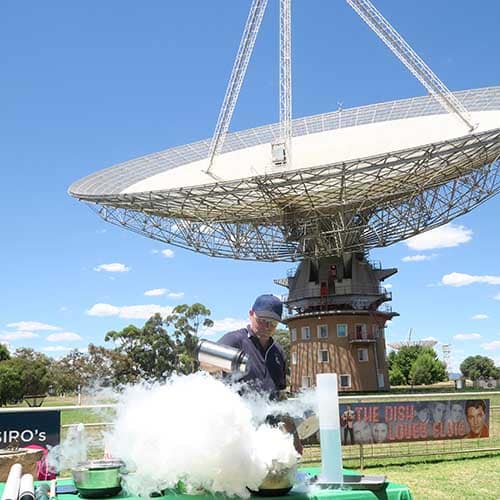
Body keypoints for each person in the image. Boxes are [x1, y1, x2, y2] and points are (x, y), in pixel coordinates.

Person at [218, 294, 303, 454]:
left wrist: (294, 436)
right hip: (238, 435)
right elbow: (205, 365)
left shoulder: (278, 352)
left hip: (269, 436)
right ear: (251, 314)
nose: (267, 326)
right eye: (262, 320)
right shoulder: (234, 341)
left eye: (273, 323)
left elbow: (280, 399)